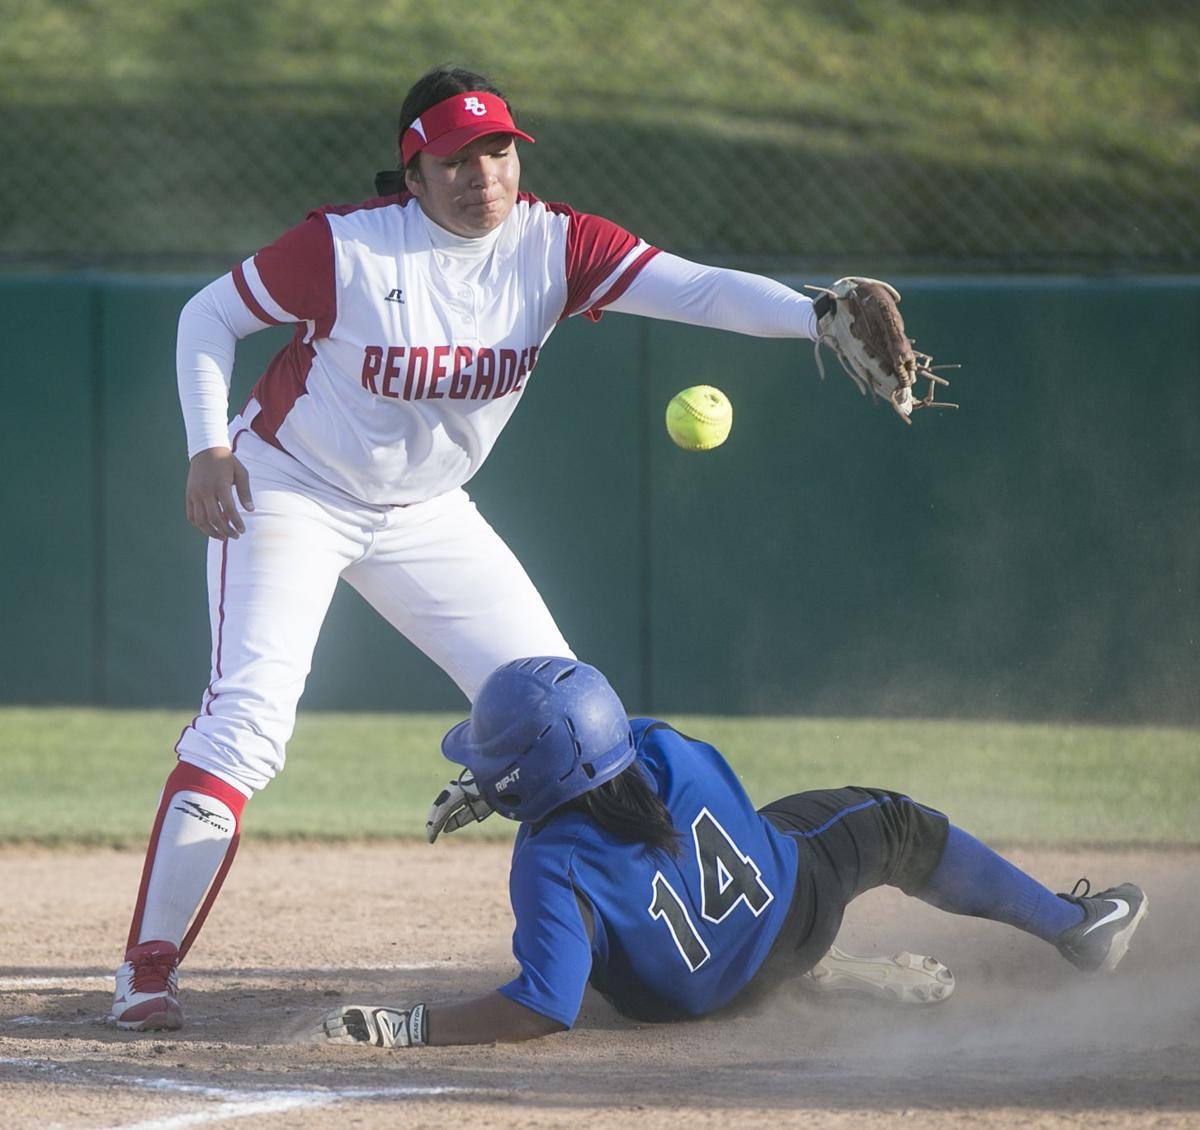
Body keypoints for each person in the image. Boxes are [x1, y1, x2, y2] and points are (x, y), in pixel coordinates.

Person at [111, 62, 923, 1032]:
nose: (482, 174)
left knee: (584, 731)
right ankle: (147, 971)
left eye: (498, 151)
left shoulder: (554, 245)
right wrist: (208, 446)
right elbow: (208, 315)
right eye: (456, 159)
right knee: (248, 720)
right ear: (415, 172)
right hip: (291, 488)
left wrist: (813, 317)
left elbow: (699, 290)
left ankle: (758, 959)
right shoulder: (348, 248)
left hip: (426, 509)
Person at [320, 656, 1147, 1048]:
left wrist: (411, 1026)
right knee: (898, 827)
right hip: (794, 915)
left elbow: (545, 1004)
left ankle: (801, 977)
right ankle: (1076, 925)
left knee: (610, 922)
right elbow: (599, 746)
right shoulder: (667, 749)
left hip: (680, 1004)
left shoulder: (547, 863)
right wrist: (518, 776)